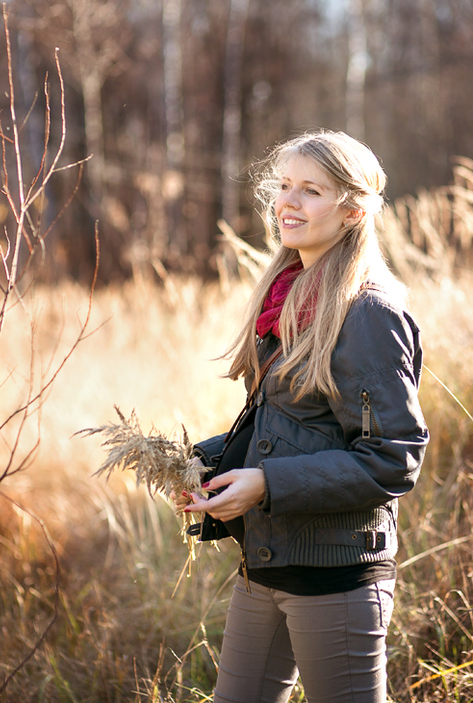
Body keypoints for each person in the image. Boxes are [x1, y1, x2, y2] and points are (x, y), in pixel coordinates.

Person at [173, 130, 429, 703]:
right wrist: (201, 466)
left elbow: (394, 458)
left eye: (311, 190)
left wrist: (266, 485)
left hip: (334, 577)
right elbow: (289, 425)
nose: (288, 202)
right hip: (265, 563)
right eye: (284, 186)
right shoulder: (287, 297)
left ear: (352, 209)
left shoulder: (368, 313)